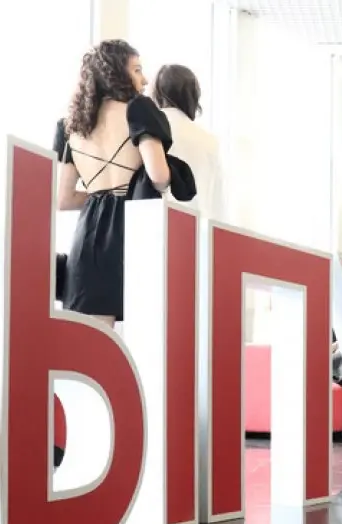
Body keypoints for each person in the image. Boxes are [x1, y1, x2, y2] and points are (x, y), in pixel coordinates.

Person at [55, 40, 195, 328]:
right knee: (147, 333)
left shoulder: (70, 125)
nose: (144, 80)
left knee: (94, 339)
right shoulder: (139, 110)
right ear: (116, 72)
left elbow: (64, 199)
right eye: (137, 70)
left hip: (89, 234)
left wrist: (101, 198)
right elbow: (159, 176)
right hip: (133, 227)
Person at [152, 64, 225, 221]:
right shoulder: (209, 141)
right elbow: (217, 204)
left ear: (157, 94)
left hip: (155, 221)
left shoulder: (147, 131)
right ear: (193, 96)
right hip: (198, 225)